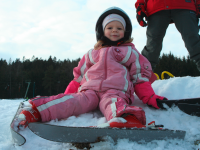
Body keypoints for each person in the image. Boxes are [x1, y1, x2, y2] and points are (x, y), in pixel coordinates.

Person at [16, 7, 166, 130]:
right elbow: (78, 78)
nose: (115, 30)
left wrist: (150, 97)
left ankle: (126, 119)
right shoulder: (91, 54)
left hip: (116, 90)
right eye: (110, 27)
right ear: (102, 31)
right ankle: (36, 112)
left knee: (113, 103)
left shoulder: (130, 52)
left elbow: (139, 77)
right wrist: (67, 95)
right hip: (89, 91)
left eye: (119, 28)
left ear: (125, 32)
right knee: (72, 102)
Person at [135, 0, 200, 71]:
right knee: (152, 45)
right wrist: (140, 5)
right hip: (157, 6)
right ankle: (143, 76)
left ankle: (143, 73)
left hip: (184, 5)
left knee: (193, 41)